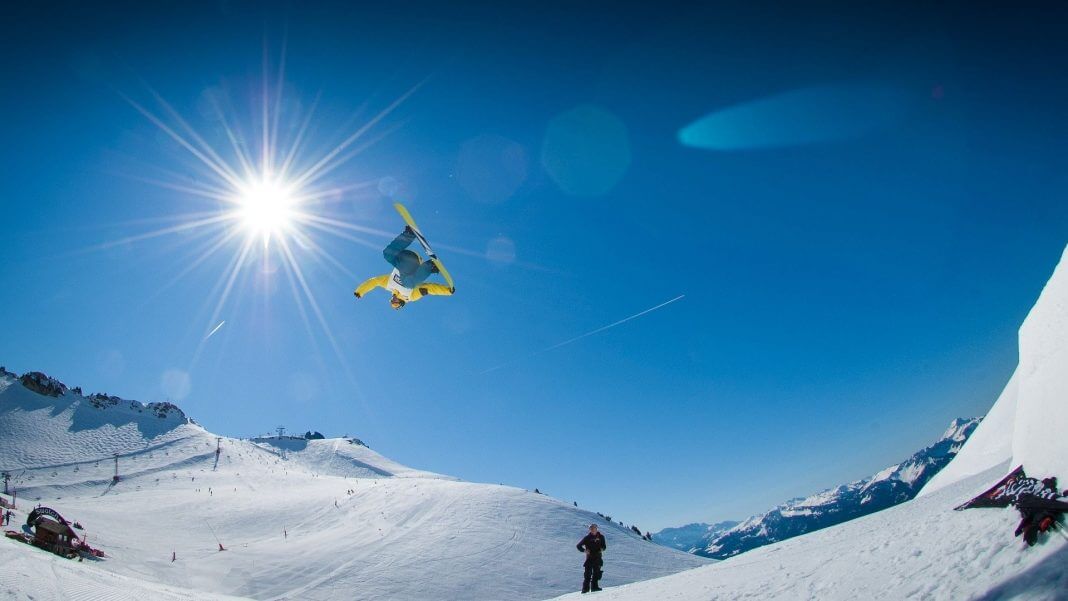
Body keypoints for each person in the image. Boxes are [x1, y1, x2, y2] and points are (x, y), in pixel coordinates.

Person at [354, 226, 454, 310]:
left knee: (387, 254)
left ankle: (409, 234)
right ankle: (431, 266)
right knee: (408, 284)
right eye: (394, 303)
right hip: (415, 264)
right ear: (401, 303)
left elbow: (373, 282)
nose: (392, 300)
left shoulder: (388, 284)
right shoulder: (411, 296)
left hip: (403, 258)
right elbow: (428, 288)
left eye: (391, 301)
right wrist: (447, 291)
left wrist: (360, 291)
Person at [576, 523, 607, 593]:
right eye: (591, 528)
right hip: (589, 558)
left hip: (598, 558)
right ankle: (585, 589)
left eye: (594, 528)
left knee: (597, 574)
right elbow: (578, 546)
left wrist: (602, 549)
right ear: (589, 529)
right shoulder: (587, 538)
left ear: (597, 528)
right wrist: (584, 550)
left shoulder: (601, 537)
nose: (592, 529)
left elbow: (604, 546)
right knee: (587, 574)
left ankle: (594, 587)